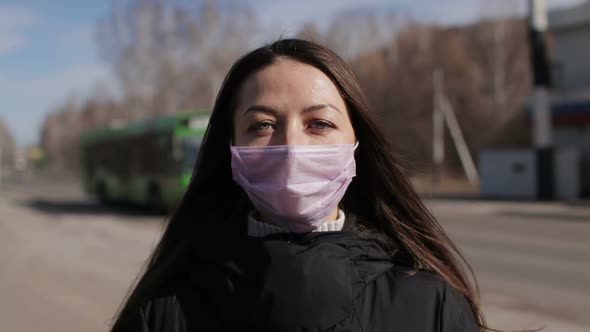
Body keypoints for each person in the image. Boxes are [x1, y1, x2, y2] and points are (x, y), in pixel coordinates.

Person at [111, 38, 485, 332]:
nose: (291, 148)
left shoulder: (432, 306)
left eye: (319, 124)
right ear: (230, 149)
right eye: (262, 125)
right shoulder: (166, 313)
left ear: (358, 145)